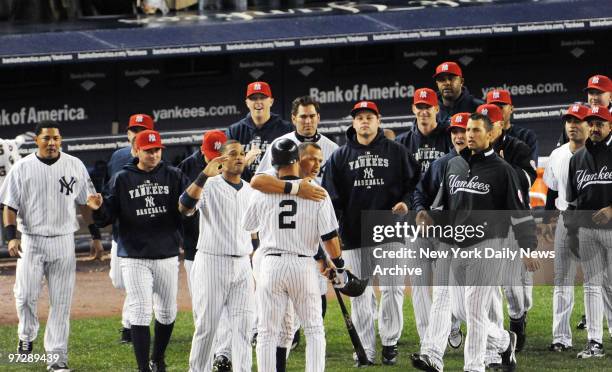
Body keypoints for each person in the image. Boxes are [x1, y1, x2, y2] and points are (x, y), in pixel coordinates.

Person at [427, 112, 540, 371]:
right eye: (467, 130)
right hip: (458, 246)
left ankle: (474, 366)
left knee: (475, 309)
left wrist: (527, 247)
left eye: (476, 130)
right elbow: (446, 207)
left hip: (489, 246)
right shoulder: (453, 165)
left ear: (490, 134)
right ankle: (503, 341)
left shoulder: (503, 171)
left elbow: (519, 211)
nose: (469, 135)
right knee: (461, 309)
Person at [322, 100, 420, 366]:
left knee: (393, 289)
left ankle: (389, 343)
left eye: (369, 116)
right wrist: (336, 232)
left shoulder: (397, 152)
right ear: (353, 123)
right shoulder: (339, 157)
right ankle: (365, 349)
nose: (364, 121)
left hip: (390, 231)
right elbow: (331, 199)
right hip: (354, 235)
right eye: (359, 117)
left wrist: (407, 203)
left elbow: (415, 184)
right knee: (360, 295)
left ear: (378, 121)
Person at [0, 120, 103, 372]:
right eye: (46, 138)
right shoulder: (22, 168)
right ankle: (26, 335)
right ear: (36, 140)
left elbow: (85, 204)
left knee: (61, 302)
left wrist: (95, 235)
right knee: (25, 297)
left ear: (61, 140)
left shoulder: (75, 165)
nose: (52, 143)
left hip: (63, 242)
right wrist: (11, 237)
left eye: (56, 138)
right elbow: (9, 207)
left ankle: (57, 358)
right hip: (31, 242)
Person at [88, 130, 190, 372]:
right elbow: (106, 216)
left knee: (167, 312)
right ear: (137, 151)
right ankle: (144, 368)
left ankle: (158, 358)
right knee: (141, 310)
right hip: (134, 255)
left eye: (157, 150)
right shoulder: (122, 178)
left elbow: (187, 208)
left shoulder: (174, 175)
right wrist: (99, 209)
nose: (154, 154)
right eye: (148, 150)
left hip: (166, 252)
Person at [243, 138, 344, 372]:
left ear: (274, 164)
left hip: (271, 266)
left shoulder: (263, 191)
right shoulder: (317, 192)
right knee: (314, 329)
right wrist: (338, 264)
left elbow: (248, 225)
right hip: (303, 266)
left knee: (267, 332)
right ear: (297, 161)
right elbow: (329, 237)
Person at [179, 140, 255, 372]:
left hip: (243, 264)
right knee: (207, 327)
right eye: (233, 154)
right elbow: (184, 207)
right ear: (221, 160)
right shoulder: (209, 185)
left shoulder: (251, 190)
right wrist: (203, 176)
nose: (240, 157)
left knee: (244, 328)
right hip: (212, 262)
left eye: (242, 154)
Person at [410, 112, 470, 371]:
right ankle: (432, 353)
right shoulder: (442, 164)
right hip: (448, 240)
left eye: (463, 131)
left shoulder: (492, 166)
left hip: (481, 244)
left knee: (476, 303)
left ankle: (500, 342)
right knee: (444, 295)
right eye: (454, 132)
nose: (458, 136)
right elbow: (420, 193)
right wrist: (421, 211)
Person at [476, 103, 536, 355]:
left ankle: (518, 317)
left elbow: (529, 179)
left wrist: (502, 167)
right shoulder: (474, 151)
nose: (487, 130)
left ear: (500, 125)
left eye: (491, 125)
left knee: (516, 290)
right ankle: (499, 337)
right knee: (492, 287)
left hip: (515, 220)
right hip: (488, 226)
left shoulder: (517, 147)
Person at [395, 87, 451, 343]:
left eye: (429, 106)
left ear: (437, 109)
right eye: (420, 106)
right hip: (415, 222)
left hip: (447, 221)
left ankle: (451, 325)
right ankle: (427, 337)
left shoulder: (451, 137)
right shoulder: (403, 143)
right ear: (413, 109)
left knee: (448, 281)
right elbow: (400, 184)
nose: (424, 111)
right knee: (419, 282)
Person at [177, 130, 235, 371]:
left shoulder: (234, 167)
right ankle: (205, 357)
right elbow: (183, 206)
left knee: (231, 310)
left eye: (221, 156)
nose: (217, 161)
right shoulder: (186, 168)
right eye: (212, 155)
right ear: (202, 151)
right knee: (204, 309)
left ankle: (223, 355)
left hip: (230, 249)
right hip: (196, 248)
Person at [542, 103, 591, 352]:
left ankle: (602, 335)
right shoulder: (558, 154)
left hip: (596, 222)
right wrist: (549, 220)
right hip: (564, 218)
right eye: (569, 120)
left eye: (578, 120)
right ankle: (561, 338)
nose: (572, 125)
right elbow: (551, 190)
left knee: (602, 280)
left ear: (589, 124)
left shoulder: (601, 154)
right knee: (562, 280)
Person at [565, 105, 612, 359]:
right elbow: (573, 202)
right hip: (587, 232)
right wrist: (572, 232)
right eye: (591, 123)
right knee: (592, 286)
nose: (594, 128)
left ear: (610, 126)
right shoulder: (577, 159)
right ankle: (595, 341)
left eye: (600, 123)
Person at [105, 113, 155, 344]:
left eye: (142, 131)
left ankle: (130, 326)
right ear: (128, 134)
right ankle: (139, 307)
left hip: (144, 232)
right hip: (120, 230)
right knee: (118, 280)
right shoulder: (118, 157)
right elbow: (109, 190)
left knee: (138, 281)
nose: (137, 135)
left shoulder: (155, 159)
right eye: (134, 131)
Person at [256, 95, 338, 181]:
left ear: (318, 118)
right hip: (286, 193)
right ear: (294, 119)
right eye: (303, 117)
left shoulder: (333, 148)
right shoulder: (279, 145)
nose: (308, 121)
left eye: (312, 116)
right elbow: (259, 179)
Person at [226, 81, 293, 181]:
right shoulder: (234, 131)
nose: (258, 102)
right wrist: (244, 162)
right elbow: (223, 167)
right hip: (242, 189)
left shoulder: (286, 129)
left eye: (262, 97)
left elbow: (294, 165)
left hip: (275, 188)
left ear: (271, 101)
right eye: (253, 98)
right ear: (247, 103)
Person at [486, 89, 539, 164]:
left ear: (511, 109)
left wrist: (505, 167)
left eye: (501, 107)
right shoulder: (481, 138)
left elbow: (531, 169)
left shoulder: (526, 136)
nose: (497, 111)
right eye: (493, 108)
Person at [557, 74, 612, 147]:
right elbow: (562, 150)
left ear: (611, 97)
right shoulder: (578, 116)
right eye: (591, 93)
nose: (594, 98)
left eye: (598, 93)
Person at [433, 61, 483, 125]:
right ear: (437, 84)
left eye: (451, 78)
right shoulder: (430, 109)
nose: (447, 83)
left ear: (461, 81)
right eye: (442, 79)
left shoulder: (478, 107)